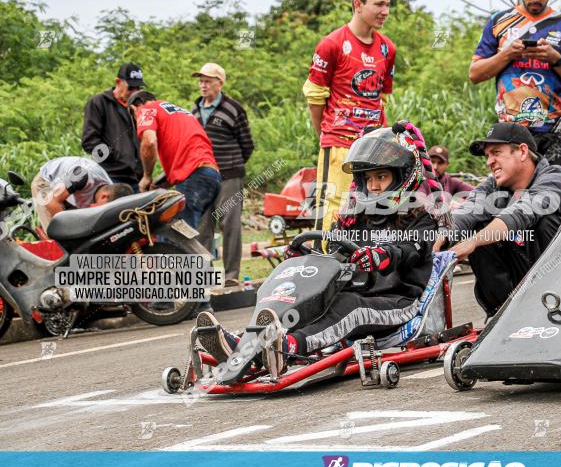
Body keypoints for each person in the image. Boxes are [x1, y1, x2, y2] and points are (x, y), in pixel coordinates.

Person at [194, 125, 438, 379]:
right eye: (369, 178)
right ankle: (245, 345)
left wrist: (380, 255)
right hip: (356, 291)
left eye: (382, 177)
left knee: (348, 305)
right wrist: (304, 259)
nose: (374, 185)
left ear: (402, 176)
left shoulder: (421, 218)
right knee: (308, 297)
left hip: (399, 302)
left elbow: (408, 250)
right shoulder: (354, 217)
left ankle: (288, 348)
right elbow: (334, 255)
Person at [434, 122, 561, 316]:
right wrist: (439, 238)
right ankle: (502, 314)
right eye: (487, 156)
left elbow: (520, 212)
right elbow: (466, 211)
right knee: (478, 226)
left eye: (496, 153)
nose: (489, 162)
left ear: (522, 151)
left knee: (545, 221)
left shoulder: (554, 178)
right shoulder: (492, 187)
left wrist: (473, 242)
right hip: (523, 281)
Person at [469, 0, 561, 169]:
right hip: (510, 130)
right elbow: (475, 74)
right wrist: (507, 55)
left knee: (553, 197)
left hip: (553, 130)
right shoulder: (498, 21)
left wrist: (556, 59)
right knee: (510, 196)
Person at [303, 0, 397, 233]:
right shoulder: (331, 44)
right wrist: (326, 135)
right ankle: (324, 261)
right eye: (379, 4)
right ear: (358, 4)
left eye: (388, 4)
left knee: (374, 207)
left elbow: (382, 100)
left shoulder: (388, 49)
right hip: (339, 144)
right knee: (333, 205)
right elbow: (315, 98)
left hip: (374, 146)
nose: (385, 11)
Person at [191, 62, 255, 287]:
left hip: (229, 176)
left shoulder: (233, 108)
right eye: (201, 81)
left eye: (208, 80)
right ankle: (203, 277)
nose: (203, 85)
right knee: (201, 228)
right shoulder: (195, 109)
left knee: (230, 225)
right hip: (202, 177)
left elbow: (247, 144)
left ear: (220, 83)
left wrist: (230, 166)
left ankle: (231, 276)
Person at [128, 91, 221, 230]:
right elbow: (187, 159)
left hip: (195, 177)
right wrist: (157, 185)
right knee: (185, 234)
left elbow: (149, 142)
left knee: (176, 235)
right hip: (210, 176)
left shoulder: (146, 109)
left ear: (133, 108)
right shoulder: (181, 112)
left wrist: (147, 176)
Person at [81, 63, 147, 191]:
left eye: (138, 88)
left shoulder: (138, 107)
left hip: (136, 178)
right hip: (111, 176)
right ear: (118, 82)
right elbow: (89, 142)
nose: (135, 92)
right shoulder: (99, 102)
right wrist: (115, 157)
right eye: (131, 88)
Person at [31, 156, 132, 229]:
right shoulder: (81, 176)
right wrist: (67, 230)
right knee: (57, 232)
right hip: (47, 183)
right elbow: (51, 201)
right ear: (104, 196)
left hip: (72, 190)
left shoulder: (110, 190)